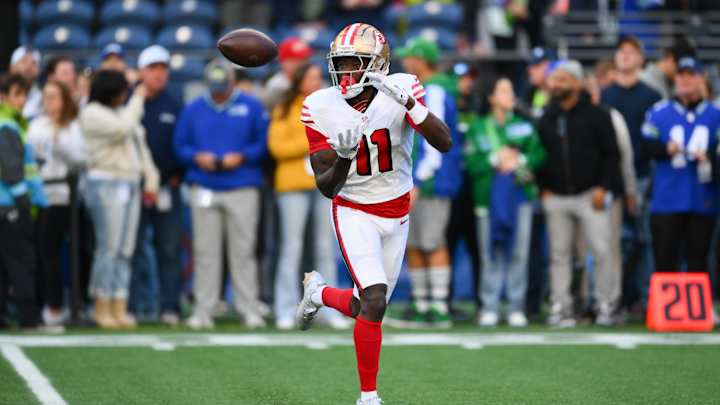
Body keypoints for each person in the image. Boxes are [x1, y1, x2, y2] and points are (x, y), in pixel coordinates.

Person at [295, 23, 452, 405]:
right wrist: (346, 157)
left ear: (378, 64)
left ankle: (317, 293)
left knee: (363, 305)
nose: (345, 74)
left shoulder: (403, 87)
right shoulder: (319, 106)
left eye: (355, 63)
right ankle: (368, 397)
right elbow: (326, 186)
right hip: (353, 209)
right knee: (375, 300)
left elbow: (444, 142)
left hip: (397, 211)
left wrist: (413, 106)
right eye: (341, 64)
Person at [174, 59, 269, 330]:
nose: (219, 93)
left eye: (223, 87)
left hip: (242, 186)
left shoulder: (251, 106)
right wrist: (196, 157)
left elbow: (262, 143)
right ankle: (203, 310)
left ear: (232, 83)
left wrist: (241, 157)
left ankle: (249, 309)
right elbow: (180, 145)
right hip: (204, 185)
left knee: (243, 252)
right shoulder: (193, 108)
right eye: (214, 88)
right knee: (205, 252)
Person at [537, 60, 620, 327]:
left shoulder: (597, 114)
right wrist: (544, 189)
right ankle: (562, 306)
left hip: (589, 194)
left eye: (562, 79)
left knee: (601, 249)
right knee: (559, 254)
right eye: (554, 79)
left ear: (576, 82)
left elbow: (612, 155)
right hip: (557, 196)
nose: (556, 84)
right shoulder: (547, 116)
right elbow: (538, 155)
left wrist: (604, 187)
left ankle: (605, 304)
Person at [268, 62, 350, 331]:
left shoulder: (329, 107)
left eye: (319, 77)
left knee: (326, 247)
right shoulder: (285, 108)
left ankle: (330, 311)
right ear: (300, 80)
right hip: (292, 185)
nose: (317, 82)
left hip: (325, 183)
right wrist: (312, 141)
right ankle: (285, 308)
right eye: (312, 77)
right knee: (291, 248)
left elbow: (341, 139)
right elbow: (276, 146)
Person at [389, 37, 462, 329]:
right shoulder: (422, 89)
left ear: (421, 60)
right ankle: (421, 304)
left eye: (410, 57)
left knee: (433, 241)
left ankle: (439, 306)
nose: (406, 62)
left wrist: (419, 179)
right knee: (416, 242)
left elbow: (435, 140)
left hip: (431, 180)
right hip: (415, 179)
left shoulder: (436, 90)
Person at [80, 70, 159, 329]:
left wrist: (150, 178)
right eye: (122, 90)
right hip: (105, 182)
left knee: (125, 250)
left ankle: (119, 304)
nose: (126, 94)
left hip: (129, 183)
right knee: (108, 247)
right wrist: (138, 99)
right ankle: (101, 304)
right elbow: (122, 129)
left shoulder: (122, 112)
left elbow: (140, 144)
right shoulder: (91, 112)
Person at [465, 76, 545, 327]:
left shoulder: (525, 126)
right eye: (504, 91)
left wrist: (519, 161)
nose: (510, 96)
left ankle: (515, 306)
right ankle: (489, 305)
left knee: (518, 251)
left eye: (511, 91)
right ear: (491, 97)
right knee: (490, 252)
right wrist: (494, 158)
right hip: (486, 200)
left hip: (520, 197)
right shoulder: (478, 128)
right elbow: (471, 163)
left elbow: (540, 154)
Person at [600, 36, 661, 314]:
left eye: (630, 51)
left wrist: (635, 181)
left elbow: (653, 141)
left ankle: (650, 300)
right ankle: (618, 301)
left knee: (647, 240)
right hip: (614, 179)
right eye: (621, 51)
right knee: (616, 243)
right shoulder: (607, 94)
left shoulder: (652, 96)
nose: (624, 56)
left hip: (645, 175)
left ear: (640, 59)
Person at [642, 57, 719, 275]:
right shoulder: (659, 111)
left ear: (700, 78)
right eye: (680, 75)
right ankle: (666, 308)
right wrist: (665, 149)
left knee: (698, 261)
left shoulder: (715, 114)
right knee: (665, 262)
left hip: (702, 198)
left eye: (690, 75)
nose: (685, 80)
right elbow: (645, 146)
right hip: (667, 198)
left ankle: (697, 308)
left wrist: (711, 157)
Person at [129, 45, 184, 326]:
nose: (159, 75)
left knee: (170, 249)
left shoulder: (174, 104)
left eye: (163, 69)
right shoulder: (128, 103)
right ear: (141, 72)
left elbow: (183, 144)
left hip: (167, 186)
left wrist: (178, 174)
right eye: (153, 69)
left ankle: (170, 306)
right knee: (133, 248)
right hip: (134, 188)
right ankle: (138, 306)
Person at [27, 81, 86, 327]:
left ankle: (57, 305)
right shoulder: (36, 125)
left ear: (64, 100)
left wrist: (60, 145)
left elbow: (81, 160)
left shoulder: (72, 126)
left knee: (52, 252)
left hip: (61, 197)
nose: (50, 103)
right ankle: (42, 302)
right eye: (47, 97)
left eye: (55, 97)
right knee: (38, 252)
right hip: (35, 195)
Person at [0, 74, 48, 330]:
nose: (22, 101)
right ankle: (29, 317)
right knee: (21, 262)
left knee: (6, 265)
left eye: (24, 95)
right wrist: (22, 200)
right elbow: (10, 168)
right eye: (17, 95)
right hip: (10, 204)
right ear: (3, 97)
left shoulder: (10, 123)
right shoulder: (7, 124)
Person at [259, 37, 313, 111]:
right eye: (298, 60)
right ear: (285, 62)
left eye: (305, 59)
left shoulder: (315, 82)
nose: (303, 64)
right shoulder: (275, 86)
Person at [9, 46, 42, 120]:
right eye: (23, 61)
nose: (28, 66)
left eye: (34, 63)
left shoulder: (44, 98)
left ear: (39, 70)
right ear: (11, 67)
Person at [522, 46, 554, 119]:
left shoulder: (560, 93)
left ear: (550, 66)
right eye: (530, 65)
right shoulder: (529, 92)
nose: (530, 70)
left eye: (537, 65)